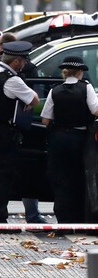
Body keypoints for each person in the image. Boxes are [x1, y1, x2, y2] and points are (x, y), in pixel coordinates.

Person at [0, 32, 48, 224]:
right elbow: (34, 99)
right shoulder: (12, 79)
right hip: (4, 132)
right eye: (24, 61)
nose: (25, 65)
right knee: (4, 174)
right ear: (17, 62)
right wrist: (24, 101)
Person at [41, 55, 98, 227]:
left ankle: (63, 220)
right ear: (80, 72)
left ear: (65, 73)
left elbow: (45, 119)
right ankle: (79, 219)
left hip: (58, 139)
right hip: (80, 139)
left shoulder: (55, 90)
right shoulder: (85, 88)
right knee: (80, 177)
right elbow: (95, 110)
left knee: (61, 180)